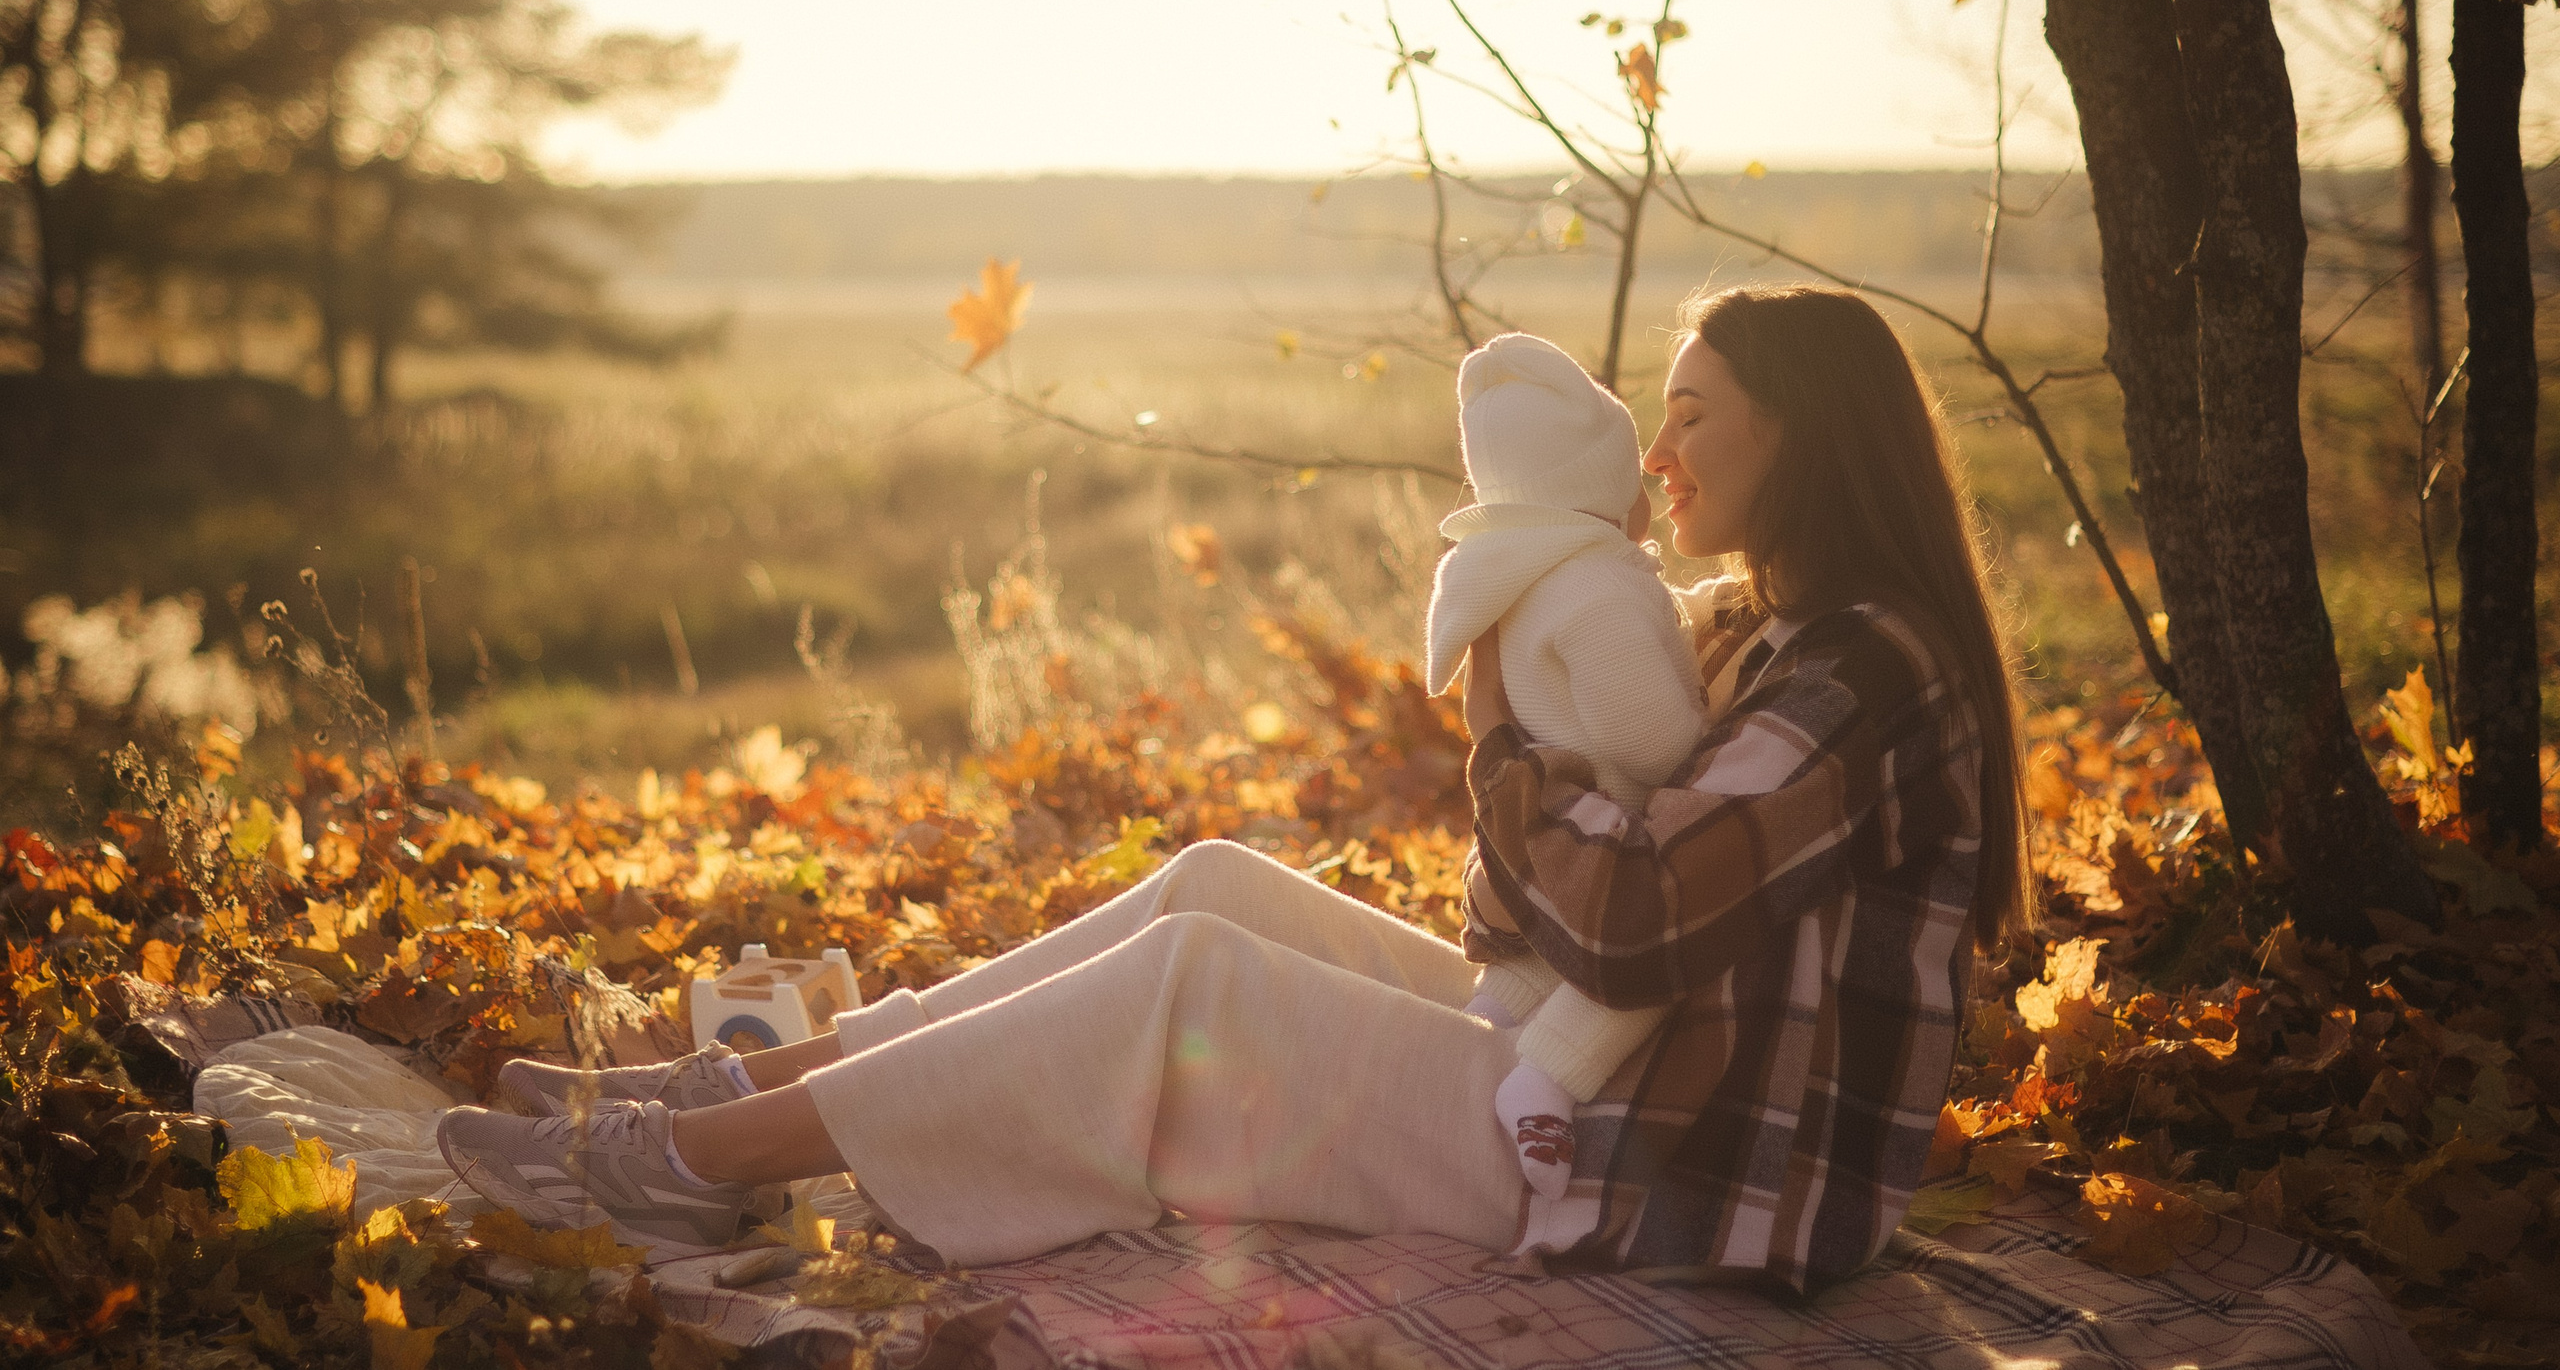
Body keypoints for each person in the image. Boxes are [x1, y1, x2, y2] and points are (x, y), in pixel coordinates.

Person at [434, 282, 2030, 1296]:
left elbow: (1629, 921)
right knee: (1216, 883)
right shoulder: (1765, 626)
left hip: (1688, 1176)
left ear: (1799, 432)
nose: (1661, 450)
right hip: (1603, 1088)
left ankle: (684, 1175)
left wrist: (1493, 725)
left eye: (1690, 411)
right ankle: (755, 1093)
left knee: (1200, 983)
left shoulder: (1873, 669)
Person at [1418, 333, 1706, 1199]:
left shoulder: (1526, 572)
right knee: (1658, 968)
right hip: (1608, 850)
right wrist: (1712, 719)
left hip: (1535, 845)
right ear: (1605, 493)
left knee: (1520, 979)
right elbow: (1649, 738)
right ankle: (1546, 1080)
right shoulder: (1597, 590)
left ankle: (1463, 1059)